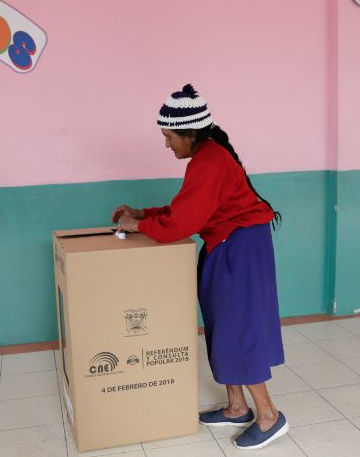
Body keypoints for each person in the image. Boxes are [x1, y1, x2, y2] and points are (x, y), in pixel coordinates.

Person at [111, 84, 288, 450]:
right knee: (222, 325)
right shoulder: (206, 158)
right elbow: (189, 208)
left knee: (237, 328)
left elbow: (181, 224)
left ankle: (269, 415)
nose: (166, 145)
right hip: (226, 242)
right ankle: (236, 407)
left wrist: (138, 226)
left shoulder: (209, 162)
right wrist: (144, 214)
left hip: (238, 246)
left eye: (168, 137)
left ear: (189, 133)